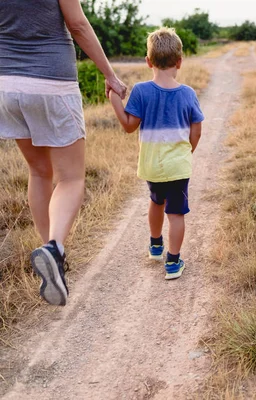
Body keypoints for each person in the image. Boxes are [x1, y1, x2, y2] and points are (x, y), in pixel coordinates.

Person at [0, 0, 127, 306]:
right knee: (70, 178)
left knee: (38, 171)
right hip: (51, 82)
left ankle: (50, 256)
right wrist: (110, 75)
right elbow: (78, 24)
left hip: (6, 85)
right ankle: (54, 248)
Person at [109, 27, 204, 280]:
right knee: (176, 213)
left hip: (152, 164)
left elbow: (130, 126)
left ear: (148, 61)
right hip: (177, 166)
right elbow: (197, 130)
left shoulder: (141, 91)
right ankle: (173, 263)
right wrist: (188, 151)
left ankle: (155, 245)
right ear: (179, 62)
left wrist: (115, 102)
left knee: (156, 201)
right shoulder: (188, 94)